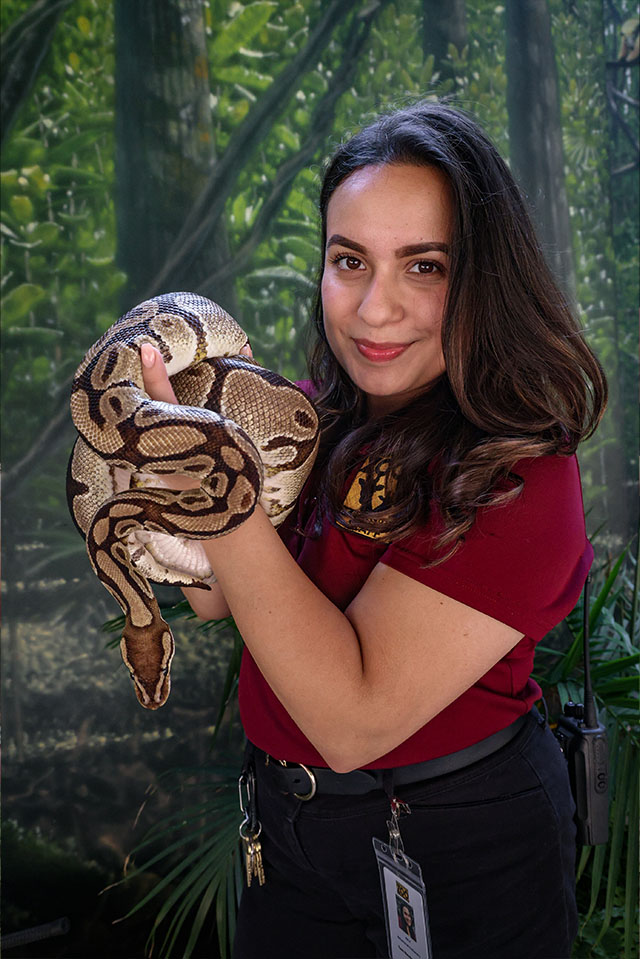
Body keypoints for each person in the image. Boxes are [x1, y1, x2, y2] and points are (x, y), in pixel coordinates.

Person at [140, 101, 607, 959]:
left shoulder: (523, 476)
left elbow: (350, 722)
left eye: (423, 266)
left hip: (459, 845)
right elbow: (212, 595)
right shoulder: (314, 416)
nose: (373, 307)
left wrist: (217, 478)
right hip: (285, 830)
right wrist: (173, 451)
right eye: (348, 260)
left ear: (485, 280)